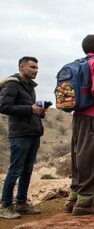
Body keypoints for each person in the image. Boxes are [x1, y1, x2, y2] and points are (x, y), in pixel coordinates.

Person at [64, 35, 94, 216]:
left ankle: (73, 198)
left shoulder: (80, 63)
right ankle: (87, 202)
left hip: (79, 118)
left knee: (80, 157)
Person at [0, 56, 45, 219]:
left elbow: (29, 109)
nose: (36, 70)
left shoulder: (30, 86)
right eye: (32, 67)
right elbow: (3, 106)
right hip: (19, 135)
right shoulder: (13, 84)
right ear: (21, 68)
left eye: (37, 68)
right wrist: (30, 109)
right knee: (15, 170)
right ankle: (5, 206)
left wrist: (39, 111)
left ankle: (21, 203)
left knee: (27, 170)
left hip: (32, 132)